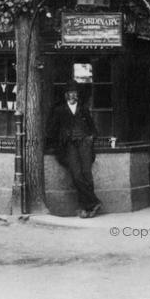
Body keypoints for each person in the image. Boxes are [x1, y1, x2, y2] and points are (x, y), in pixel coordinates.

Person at [47, 80, 103, 218]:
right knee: (77, 175)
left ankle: (86, 208)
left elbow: (93, 129)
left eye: (74, 93)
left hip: (84, 144)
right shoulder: (59, 110)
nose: (72, 95)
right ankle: (94, 202)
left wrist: (90, 139)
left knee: (86, 174)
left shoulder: (83, 109)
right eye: (70, 93)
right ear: (66, 95)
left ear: (77, 95)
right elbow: (51, 130)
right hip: (69, 145)